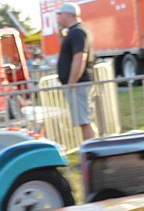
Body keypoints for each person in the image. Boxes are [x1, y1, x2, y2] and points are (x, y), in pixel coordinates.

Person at [56, 2, 96, 140]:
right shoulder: (74, 32)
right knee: (84, 120)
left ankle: (91, 155)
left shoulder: (77, 32)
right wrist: (60, 33)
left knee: (84, 121)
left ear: (67, 14)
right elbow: (68, 51)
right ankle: (92, 152)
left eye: (60, 15)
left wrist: (72, 83)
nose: (58, 18)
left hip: (78, 84)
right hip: (78, 83)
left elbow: (80, 57)